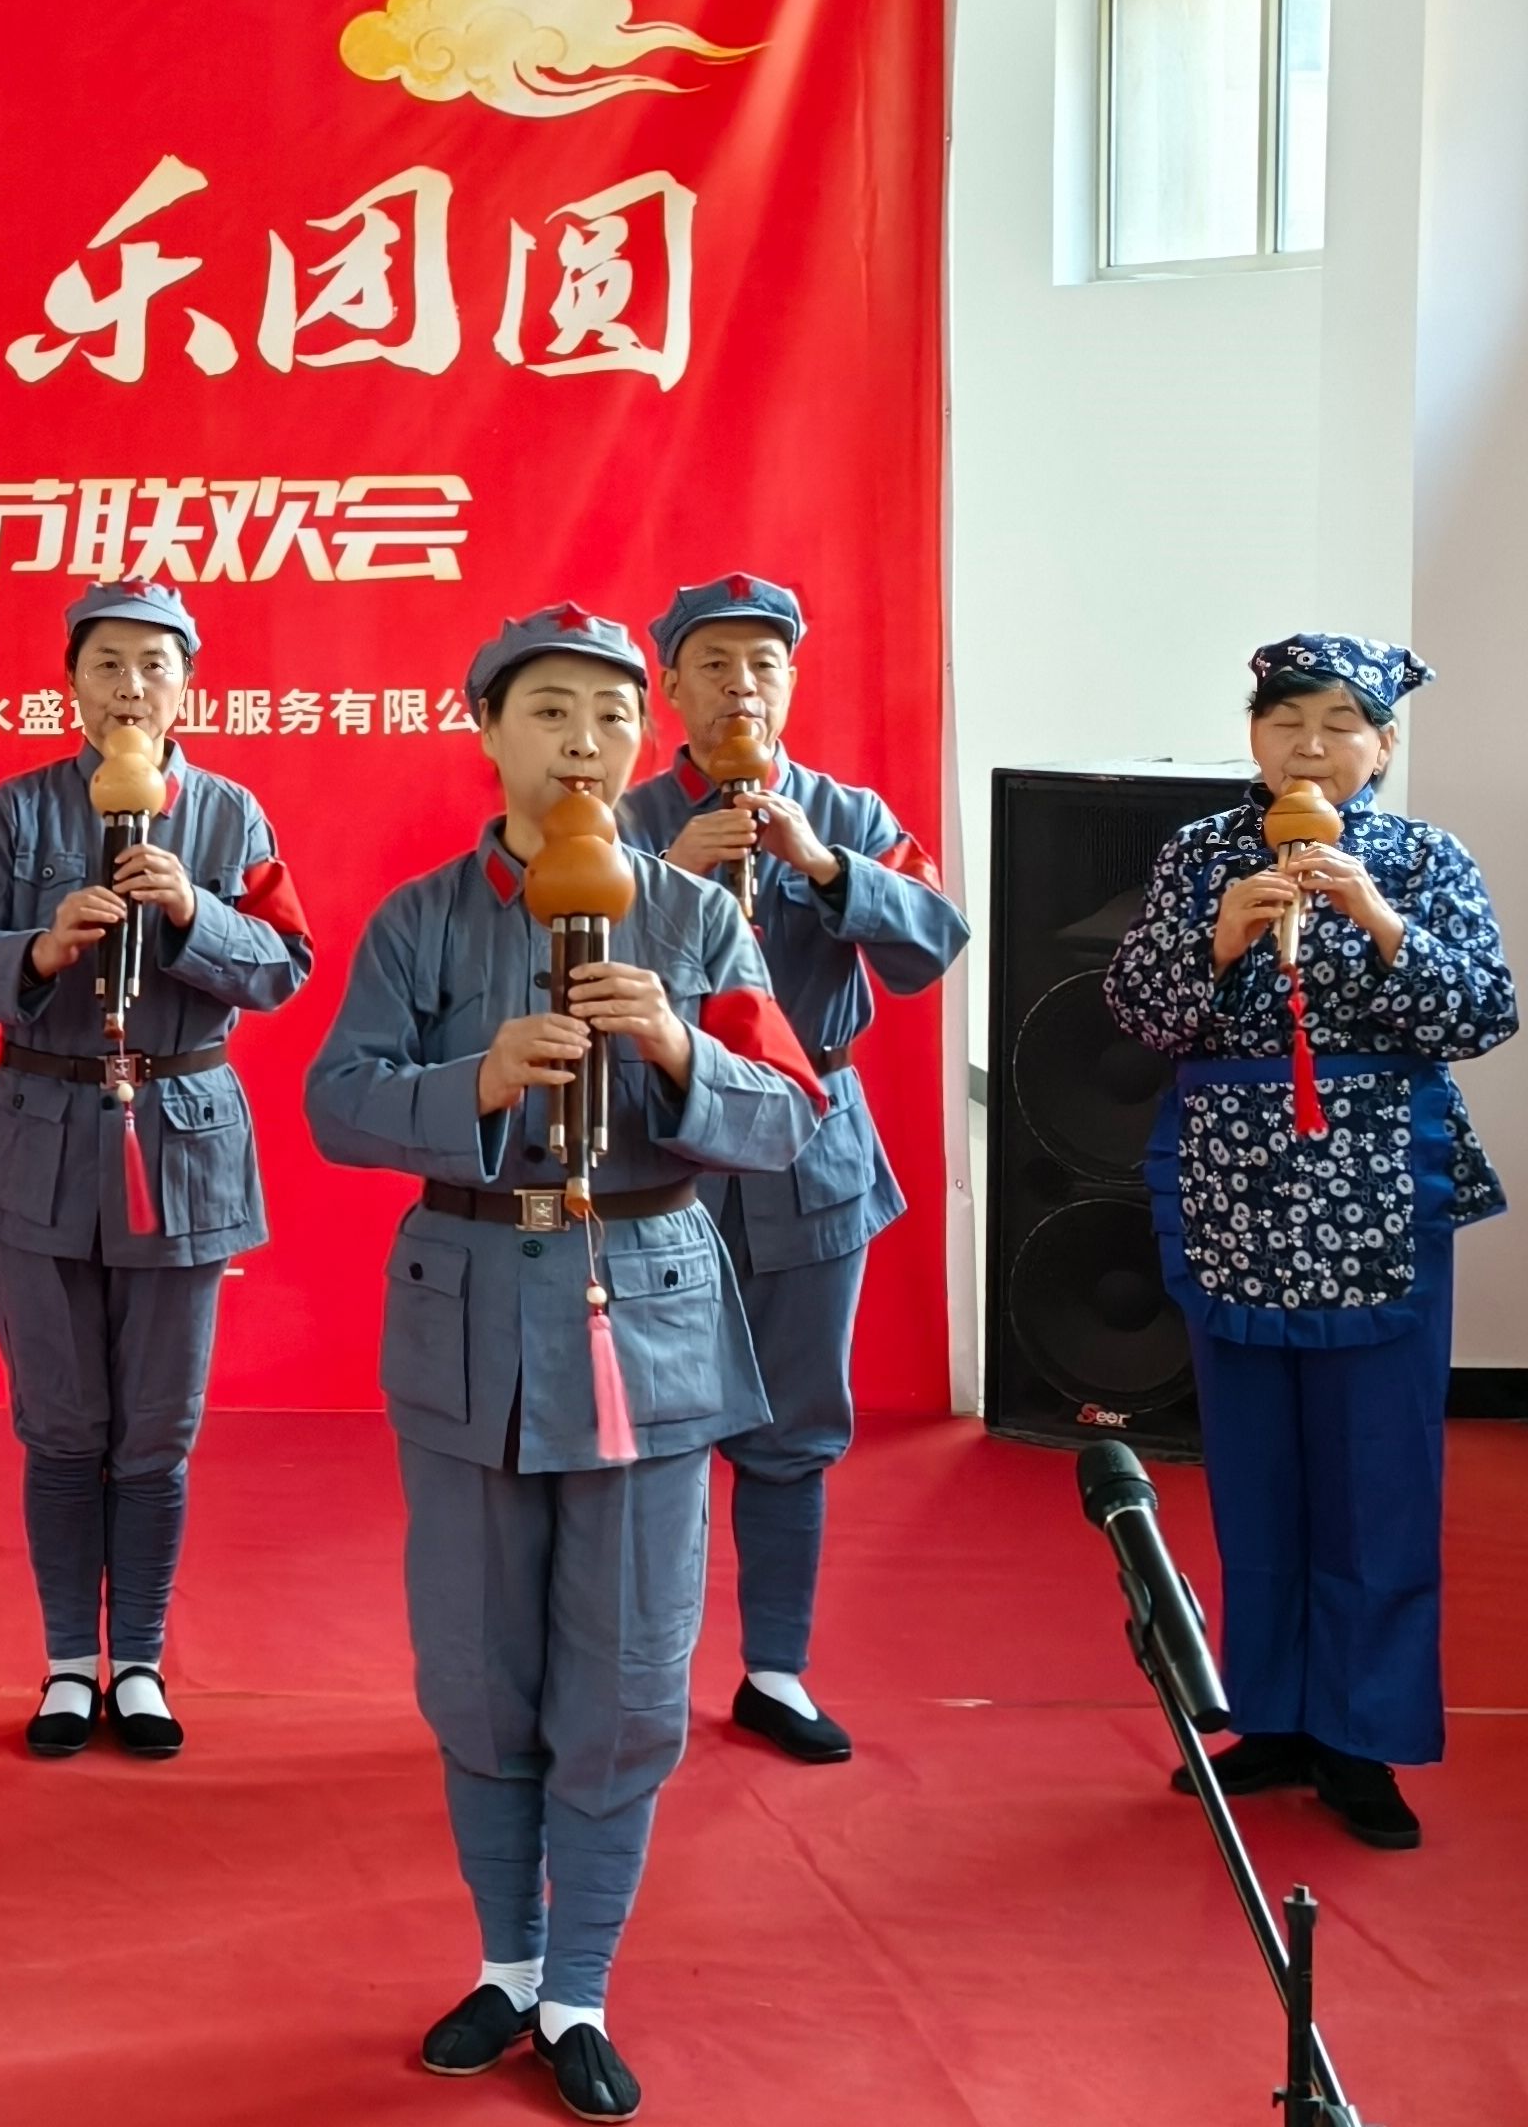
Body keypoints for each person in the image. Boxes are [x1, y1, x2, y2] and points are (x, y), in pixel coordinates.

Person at [301, 604, 817, 2125]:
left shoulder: (696, 919)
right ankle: (507, 1965)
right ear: (487, 731)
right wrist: (473, 1080)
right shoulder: (419, 919)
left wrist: (679, 1049)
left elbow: (789, 1115)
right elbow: (337, 1102)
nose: (585, 742)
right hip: (465, 1307)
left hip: (643, 1312)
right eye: (549, 712)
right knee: (477, 1668)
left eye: (610, 715)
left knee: (630, 1673)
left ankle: (580, 1985)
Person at [1102, 634, 1513, 1852]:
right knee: (1253, 1469)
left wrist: (1374, 917)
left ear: (1382, 745)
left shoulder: (1424, 858)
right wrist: (1220, 938)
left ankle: (1361, 1735)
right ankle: (1271, 1716)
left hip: (1377, 1181)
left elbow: (1483, 1008)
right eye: (1286, 721)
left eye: (1341, 724)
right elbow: (1133, 1009)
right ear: (1253, 736)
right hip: (1233, 1183)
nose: (1311, 746)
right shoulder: (1198, 855)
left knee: (1378, 1475)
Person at [0, 579, 310, 1760]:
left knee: (154, 1428)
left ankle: (136, 1660)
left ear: (186, 685)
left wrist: (193, 912)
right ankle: (64, 1661)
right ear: (71, 684)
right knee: (60, 1424)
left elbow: (284, 965)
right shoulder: (17, 810)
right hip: (38, 1139)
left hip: (181, 1139)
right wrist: (39, 948)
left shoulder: (230, 814)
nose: (130, 687)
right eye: (107, 664)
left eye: (154, 665)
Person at [612, 574, 966, 1765]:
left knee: (796, 1421)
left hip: (814, 1145)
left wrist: (824, 867)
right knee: (645, 1424)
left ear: (792, 682)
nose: (740, 686)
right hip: (661, 1144)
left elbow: (932, 944)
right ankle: (636, 1675)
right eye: (713, 664)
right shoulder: (621, 819)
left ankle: (775, 1668)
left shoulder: (846, 812)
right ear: (670, 686)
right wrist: (668, 871)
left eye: (763, 663)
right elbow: (547, 964)